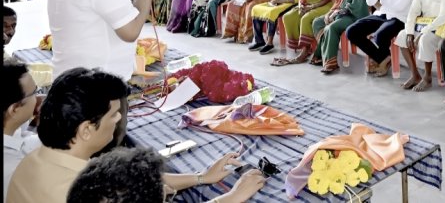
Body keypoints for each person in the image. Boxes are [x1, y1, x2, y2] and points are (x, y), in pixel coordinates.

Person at [7, 68, 244, 203]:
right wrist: (232, 197)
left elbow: (131, 181)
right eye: (114, 116)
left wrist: (201, 177)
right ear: (86, 130)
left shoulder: (38, 157)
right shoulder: (82, 191)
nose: (120, 120)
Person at [66, 146, 265, 203]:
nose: (169, 188)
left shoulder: (88, 190)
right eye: (164, 195)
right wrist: (231, 197)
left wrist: (202, 177)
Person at [345, 0, 416, 76]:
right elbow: (371, 1)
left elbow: (399, 7)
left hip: (400, 18)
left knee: (380, 35)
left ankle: (381, 61)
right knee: (351, 31)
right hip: (382, 15)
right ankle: (383, 58)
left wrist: (382, 6)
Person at [310, 0, 368, 74]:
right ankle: (322, 54)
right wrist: (330, 13)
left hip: (354, 16)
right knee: (317, 22)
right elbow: (338, 2)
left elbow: (354, 7)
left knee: (330, 28)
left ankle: (330, 63)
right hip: (341, 13)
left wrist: (335, 14)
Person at [3, 59, 42, 199]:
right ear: (14, 109)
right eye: (35, 92)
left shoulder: (10, 127)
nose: (38, 97)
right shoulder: (14, 170)